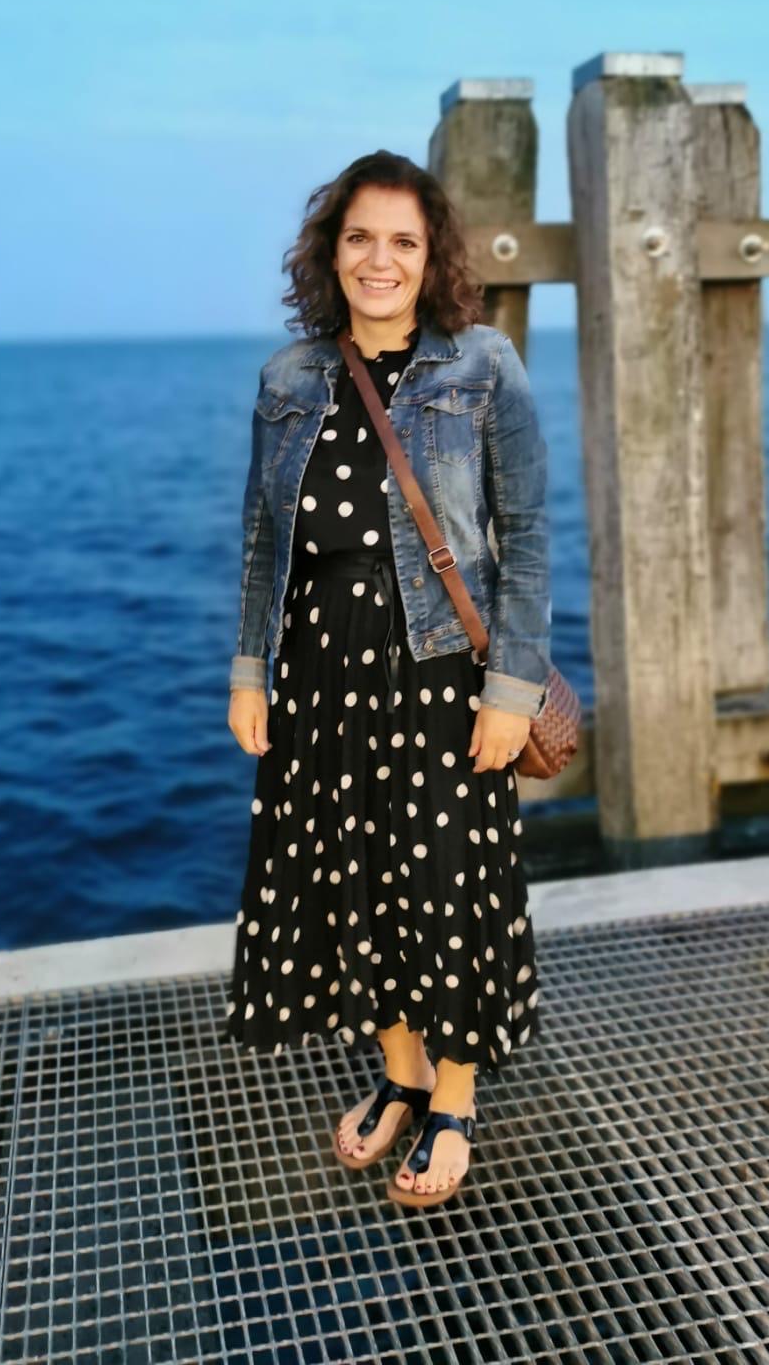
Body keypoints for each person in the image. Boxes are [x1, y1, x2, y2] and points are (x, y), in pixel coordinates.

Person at [223, 149, 552, 1208]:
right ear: (331, 253)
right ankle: (401, 1075)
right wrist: (249, 673)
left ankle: (454, 1097)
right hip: (321, 670)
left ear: (431, 257)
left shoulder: (483, 365)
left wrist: (512, 691)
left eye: (403, 241)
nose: (381, 259)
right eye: (360, 237)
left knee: (445, 883)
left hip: (442, 672)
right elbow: (262, 546)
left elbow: (528, 538)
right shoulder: (289, 379)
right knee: (351, 877)